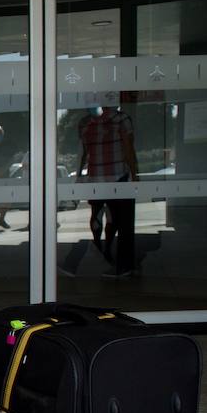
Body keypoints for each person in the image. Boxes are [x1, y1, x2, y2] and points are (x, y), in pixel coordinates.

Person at [62, 92, 138, 278]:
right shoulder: (121, 120)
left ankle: (96, 251)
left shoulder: (87, 124)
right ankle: (119, 262)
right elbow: (128, 148)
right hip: (117, 179)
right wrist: (135, 175)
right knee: (121, 221)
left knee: (98, 215)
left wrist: (79, 176)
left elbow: (83, 153)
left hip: (97, 179)